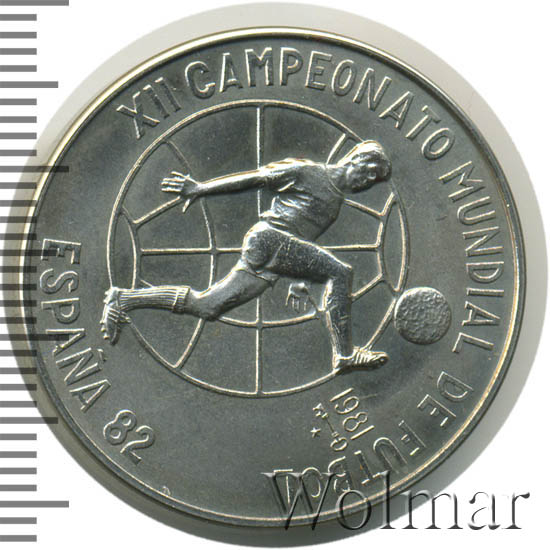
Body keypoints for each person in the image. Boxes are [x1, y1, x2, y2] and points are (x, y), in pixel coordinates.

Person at [101, 140, 392, 372]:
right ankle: (344, 355)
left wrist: (301, 278)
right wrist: (200, 188)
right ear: (355, 160)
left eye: (374, 180)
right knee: (341, 272)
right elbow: (255, 178)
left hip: (275, 256)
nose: (367, 182)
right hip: (269, 240)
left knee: (208, 306)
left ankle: (123, 299)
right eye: (369, 173)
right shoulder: (309, 172)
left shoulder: (336, 199)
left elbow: (303, 237)